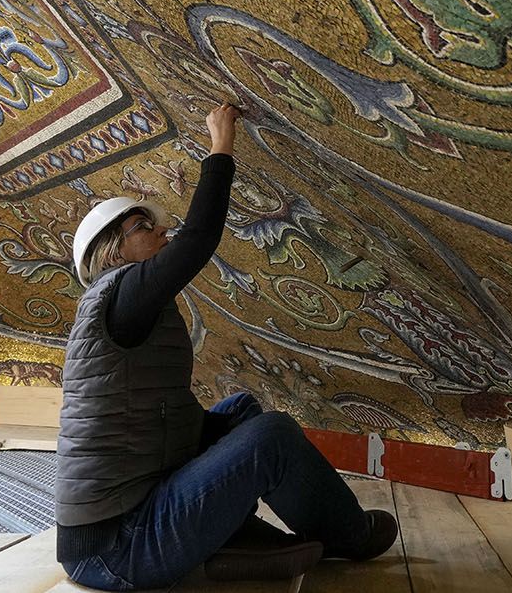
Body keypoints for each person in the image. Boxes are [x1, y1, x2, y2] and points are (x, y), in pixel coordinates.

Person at [55, 104, 398, 590]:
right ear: (112, 249)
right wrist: (221, 145)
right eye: (144, 228)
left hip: (135, 512)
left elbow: (160, 417)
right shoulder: (121, 295)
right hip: (116, 546)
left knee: (239, 412)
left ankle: (231, 538)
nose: (161, 232)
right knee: (271, 436)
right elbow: (196, 240)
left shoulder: (124, 306)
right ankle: (352, 536)